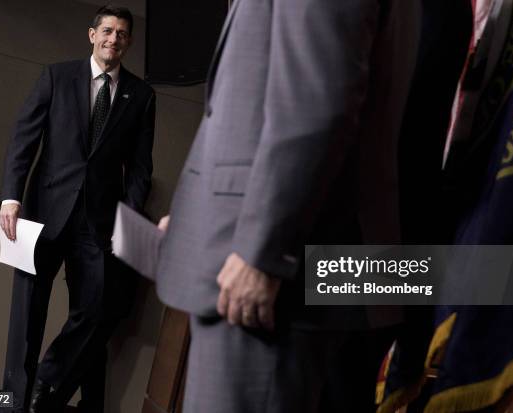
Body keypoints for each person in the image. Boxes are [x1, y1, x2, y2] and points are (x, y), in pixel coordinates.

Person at [155, 0, 420, 412]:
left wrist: (261, 253)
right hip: (301, 266)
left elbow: (316, 104)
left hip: (272, 285)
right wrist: (201, 215)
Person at [0, 5, 155, 412]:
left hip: (99, 224)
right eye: (107, 31)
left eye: (122, 33)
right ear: (92, 35)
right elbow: (23, 141)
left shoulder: (141, 96)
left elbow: (140, 168)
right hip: (43, 214)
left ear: (129, 42)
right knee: (27, 316)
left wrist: (130, 220)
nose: (113, 39)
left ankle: (47, 388)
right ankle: (14, 402)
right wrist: (10, 199)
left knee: (96, 311)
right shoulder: (56, 76)